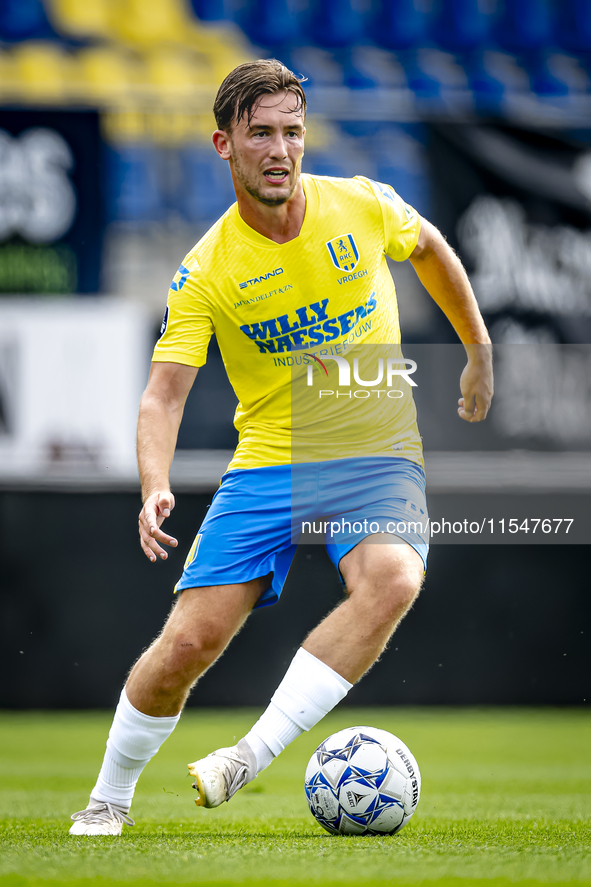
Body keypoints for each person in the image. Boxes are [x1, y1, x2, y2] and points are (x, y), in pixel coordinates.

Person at [69, 59, 493, 836]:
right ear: (222, 145)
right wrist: (153, 481)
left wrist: (476, 346)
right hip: (271, 460)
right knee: (188, 642)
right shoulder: (205, 270)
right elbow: (164, 392)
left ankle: (246, 757)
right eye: (259, 133)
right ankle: (107, 797)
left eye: (291, 132)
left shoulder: (360, 204)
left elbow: (428, 246)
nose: (279, 149)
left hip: (374, 451)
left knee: (394, 578)